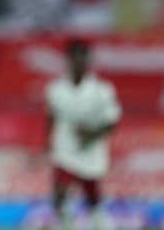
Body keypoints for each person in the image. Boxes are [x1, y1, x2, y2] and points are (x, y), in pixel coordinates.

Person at [46, 39, 121, 228]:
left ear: (88, 60)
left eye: (82, 57)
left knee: (92, 196)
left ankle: (99, 222)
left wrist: (92, 134)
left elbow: (112, 121)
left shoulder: (101, 90)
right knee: (59, 193)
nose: (78, 61)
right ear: (68, 59)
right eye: (74, 57)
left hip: (91, 150)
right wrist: (47, 142)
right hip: (65, 148)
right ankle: (65, 224)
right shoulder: (56, 89)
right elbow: (51, 117)